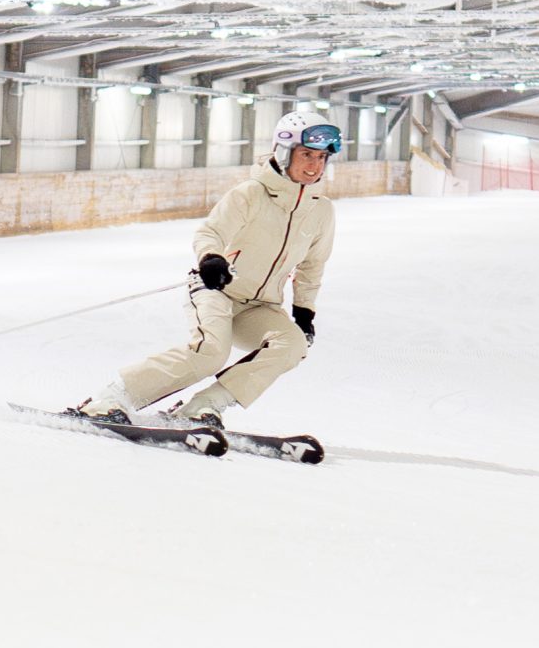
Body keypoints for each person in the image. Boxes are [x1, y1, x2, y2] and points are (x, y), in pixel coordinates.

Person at [75, 107, 341, 429]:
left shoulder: (321, 210)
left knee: (293, 345)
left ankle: (204, 406)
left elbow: (313, 265)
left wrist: (304, 313)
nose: (314, 166)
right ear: (285, 153)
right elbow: (210, 232)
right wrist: (211, 259)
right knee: (211, 351)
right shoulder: (251, 194)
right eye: (307, 155)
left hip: (261, 305)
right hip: (217, 289)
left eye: (321, 158)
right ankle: (112, 397)